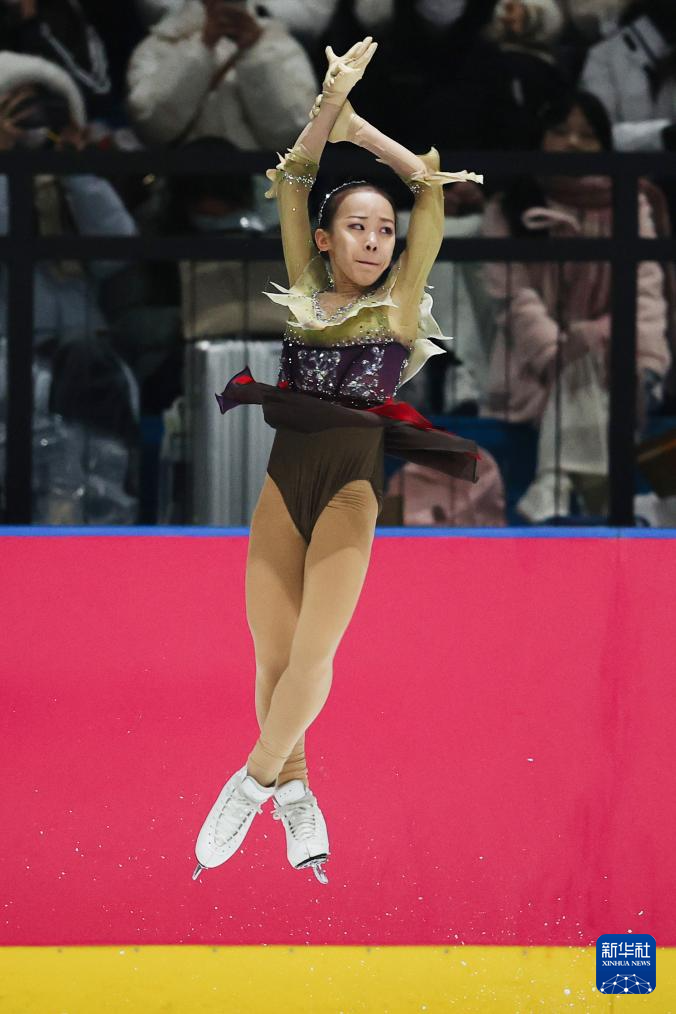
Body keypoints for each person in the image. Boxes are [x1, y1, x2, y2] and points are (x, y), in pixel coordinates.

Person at [191, 37, 482, 884]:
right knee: (273, 656)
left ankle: (249, 785)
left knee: (314, 656)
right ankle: (299, 793)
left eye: (384, 230)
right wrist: (327, 110)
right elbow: (290, 180)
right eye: (357, 225)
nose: (376, 239)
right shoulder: (302, 286)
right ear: (323, 239)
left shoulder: (398, 306)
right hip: (282, 485)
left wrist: (362, 130)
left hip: (351, 490)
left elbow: (430, 188)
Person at [480, 90, 671, 521]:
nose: (572, 143)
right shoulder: (509, 206)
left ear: (604, 144)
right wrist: (558, 351)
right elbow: (513, 298)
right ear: (539, 138)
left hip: (620, 359)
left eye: (587, 135)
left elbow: (644, 292)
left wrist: (593, 340)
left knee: (588, 361)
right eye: (560, 131)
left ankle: (555, 486)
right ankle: (606, 506)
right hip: (531, 364)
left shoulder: (631, 200)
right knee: (577, 366)